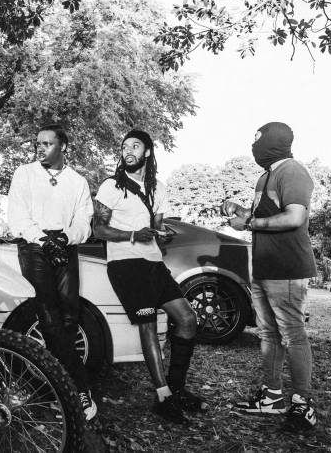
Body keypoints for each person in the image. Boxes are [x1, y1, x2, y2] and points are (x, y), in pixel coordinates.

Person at [93, 130, 205, 425]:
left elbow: (155, 228)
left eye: (135, 145)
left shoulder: (159, 187)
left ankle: (177, 388)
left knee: (187, 319)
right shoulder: (111, 186)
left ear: (147, 152)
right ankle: (163, 396)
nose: (127, 150)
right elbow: (99, 230)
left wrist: (162, 236)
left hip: (154, 262)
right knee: (149, 327)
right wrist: (131, 234)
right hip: (126, 264)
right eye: (124, 146)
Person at [220, 122, 318, 431]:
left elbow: (294, 217)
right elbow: (263, 216)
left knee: (292, 334)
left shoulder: (292, 171)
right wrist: (238, 209)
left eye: (257, 139)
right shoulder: (265, 176)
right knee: (268, 335)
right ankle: (272, 397)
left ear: (274, 141)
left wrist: (248, 222)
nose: (253, 146)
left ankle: (303, 404)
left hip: (287, 269)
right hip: (263, 268)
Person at [6, 124, 97, 420]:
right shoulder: (25, 174)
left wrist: (64, 239)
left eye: (47, 143)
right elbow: (17, 216)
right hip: (34, 246)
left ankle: (54, 389)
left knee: (69, 317)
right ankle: (80, 388)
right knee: (47, 316)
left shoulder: (78, 181)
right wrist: (45, 240)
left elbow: (84, 221)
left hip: (65, 246)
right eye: (37, 143)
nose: (40, 148)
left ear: (63, 147)